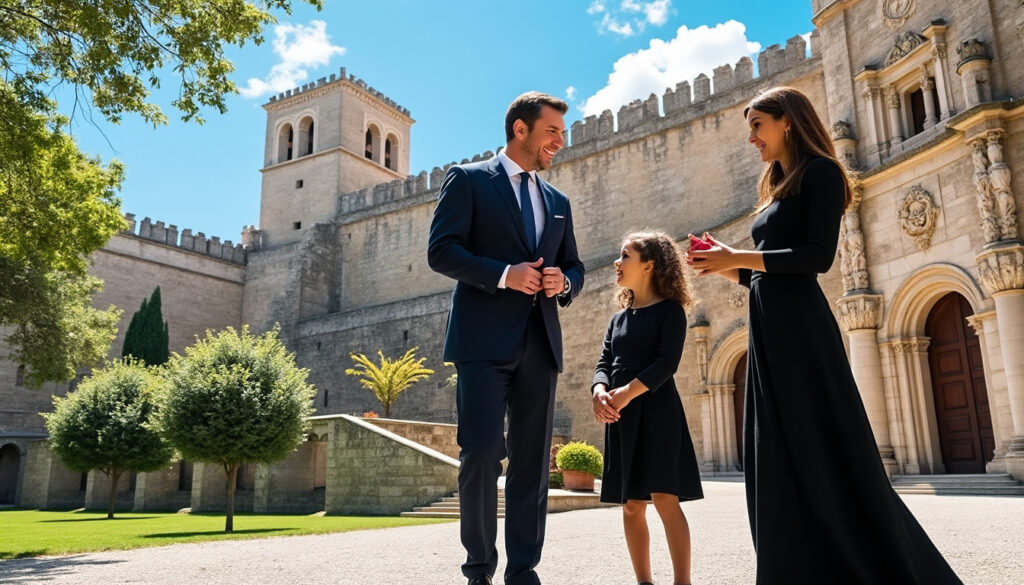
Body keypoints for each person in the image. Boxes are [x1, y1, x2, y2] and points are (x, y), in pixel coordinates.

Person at [686, 86, 961, 584]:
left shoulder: (822, 173)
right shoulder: (777, 182)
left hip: (802, 332)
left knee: (824, 448)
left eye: (757, 126)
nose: (751, 138)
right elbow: (764, 274)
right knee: (776, 454)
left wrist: (738, 257)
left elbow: (816, 258)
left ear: (787, 121)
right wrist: (723, 263)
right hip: (768, 325)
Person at [427, 91, 585, 585]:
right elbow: (441, 252)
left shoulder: (557, 201)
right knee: (479, 452)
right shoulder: (470, 180)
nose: (561, 140)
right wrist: (503, 274)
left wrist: (566, 283)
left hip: (541, 342)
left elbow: (576, 264)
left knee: (533, 464)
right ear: (521, 129)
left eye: (562, 131)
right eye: (553, 131)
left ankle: (523, 571)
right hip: (481, 342)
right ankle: (478, 570)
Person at [592, 231, 702, 585]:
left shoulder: (671, 312)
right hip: (621, 416)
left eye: (625, 256)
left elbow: (666, 363)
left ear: (649, 265)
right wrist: (599, 390)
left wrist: (625, 392)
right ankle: (644, 582)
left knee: (665, 498)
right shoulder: (617, 319)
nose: (617, 263)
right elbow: (604, 361)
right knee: (631, 504)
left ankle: (682, 582)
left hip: (658, 412)